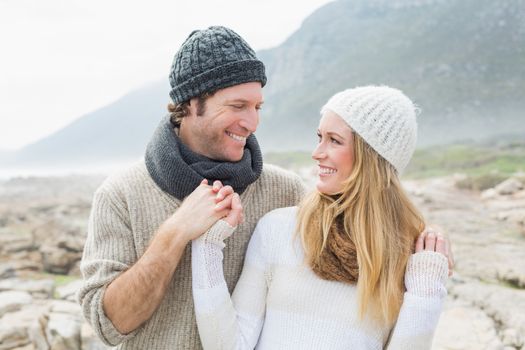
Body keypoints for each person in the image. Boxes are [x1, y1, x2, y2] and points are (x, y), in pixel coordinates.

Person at [77, 26, 306, 349]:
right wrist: (175, 232)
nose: (252, 123)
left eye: (257, 107)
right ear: (190, 104)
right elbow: (110, 325)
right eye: (238, 106)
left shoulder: (287, 192)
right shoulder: (120, 194)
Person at [191, 86, 450, 349]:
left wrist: (425, 298)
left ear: (372, 156)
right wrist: (208, 244)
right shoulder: (280, 229)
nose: (317, 153)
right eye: (319, 137)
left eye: (334, 140)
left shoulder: (408, 255)